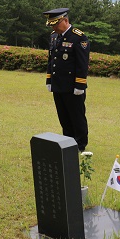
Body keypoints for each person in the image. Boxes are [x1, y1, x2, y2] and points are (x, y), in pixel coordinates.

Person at [43, 8, 91, 151]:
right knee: (63, 116)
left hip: (72, 86)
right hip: (58, 84)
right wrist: (49, 80)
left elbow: (82, 64)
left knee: (76, 116)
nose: (53, 27)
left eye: (56, 24)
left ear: (65, 20)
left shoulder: (78, 37)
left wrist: (80, 85)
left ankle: (80, 144)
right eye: (51, 24)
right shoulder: (53, 36)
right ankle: (68, 142)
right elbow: (51, 60)